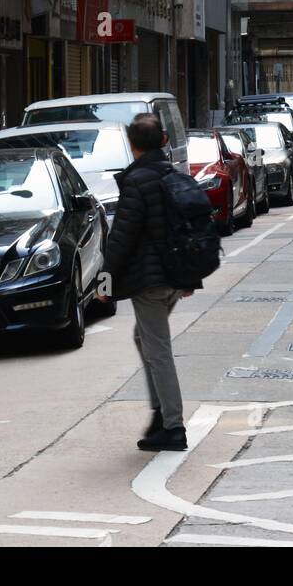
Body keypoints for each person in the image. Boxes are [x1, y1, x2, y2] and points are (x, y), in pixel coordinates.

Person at [99, 113, 198, 452]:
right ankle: (161, 416)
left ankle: (173, 426)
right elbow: (189, 230)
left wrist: (104, 283)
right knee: (144, 338)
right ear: (165, 142)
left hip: (150, 282)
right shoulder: (174, 174)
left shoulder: (137, 181)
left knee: (158, 351)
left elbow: (121, 238)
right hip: (172, 277)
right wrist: (189, 278)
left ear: (132, 144)